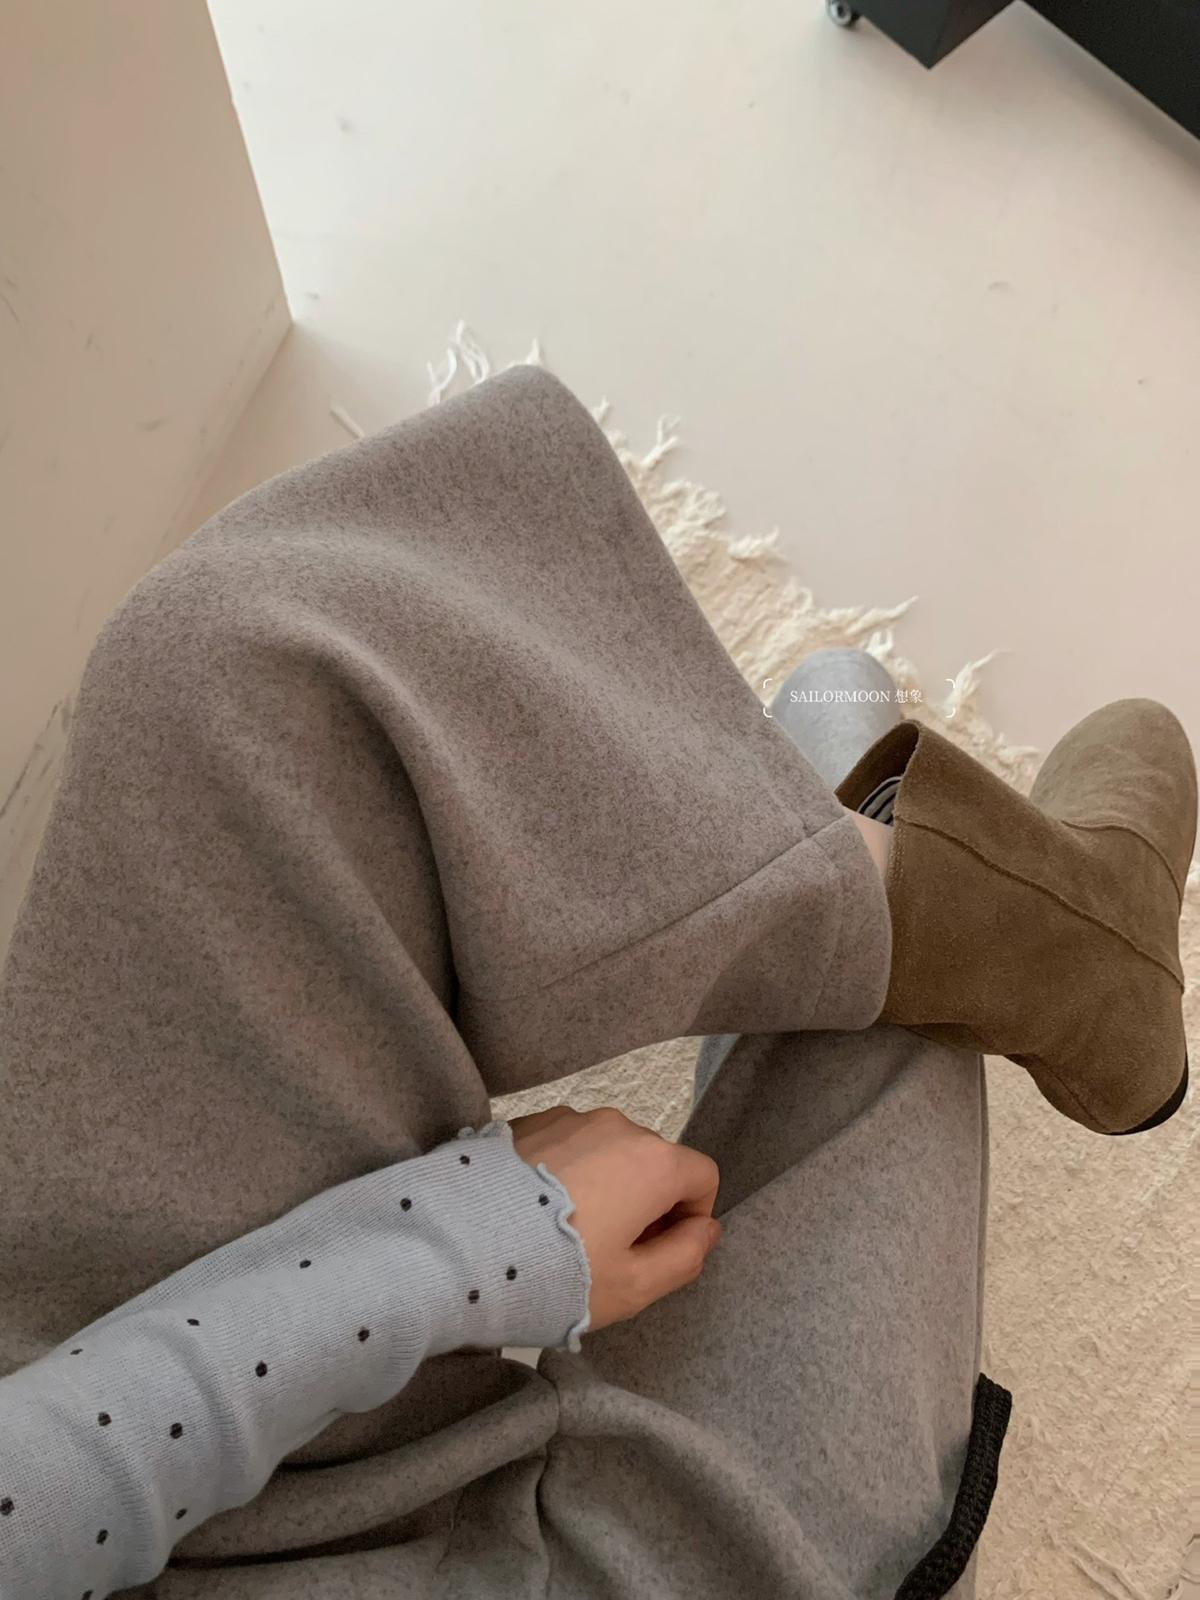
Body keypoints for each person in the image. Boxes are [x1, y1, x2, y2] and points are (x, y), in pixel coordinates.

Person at [0, 367, 1192, 1600]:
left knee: (242, 676)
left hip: (90, 1410)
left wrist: (446, 1253)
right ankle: (942, 884)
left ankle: (938, 893)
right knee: (839, 741)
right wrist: (488, 1241)